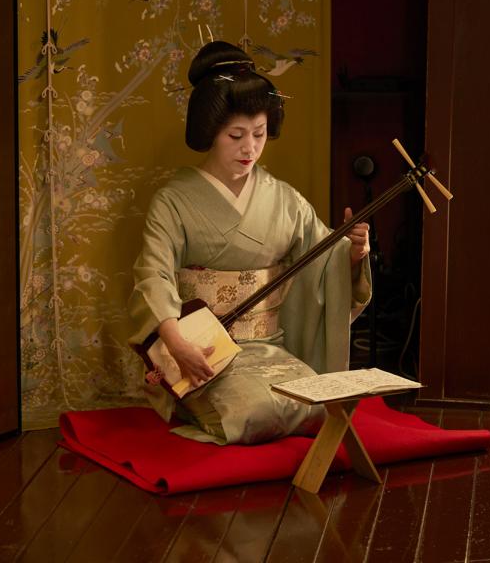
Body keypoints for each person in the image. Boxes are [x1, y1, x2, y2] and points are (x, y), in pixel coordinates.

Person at [128, 41, 372, 445]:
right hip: (203, 353)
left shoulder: (283, 199)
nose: (249, 148)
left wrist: (352, 252)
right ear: (211, 133)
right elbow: (152, 274)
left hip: (268, 347)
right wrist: (176, 343)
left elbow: (323, 262)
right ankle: (195, 402)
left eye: (259, 134)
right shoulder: (173, 201)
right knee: (255, 412)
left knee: (318, 405)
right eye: (235, 135)